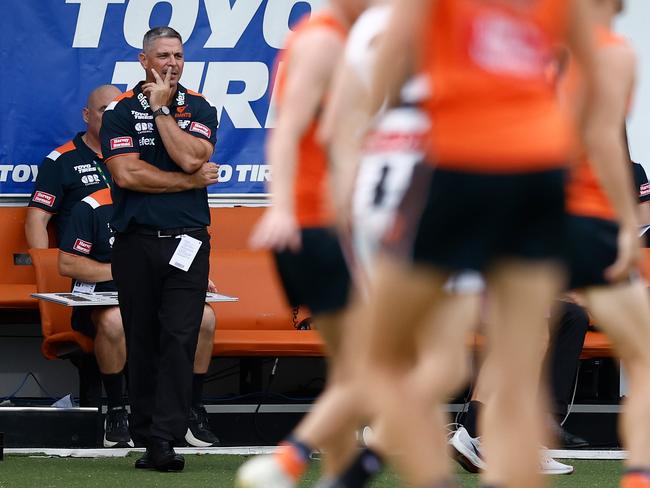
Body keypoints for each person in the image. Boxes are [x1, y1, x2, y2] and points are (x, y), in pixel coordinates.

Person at [324, 0, 617, 486]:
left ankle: (364, 461)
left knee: (400, 355)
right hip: (521, 173)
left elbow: (373, 93)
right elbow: (590, 81)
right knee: (497, 358)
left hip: (463, 169)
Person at [235, 2, 368, 487]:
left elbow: (339, 138)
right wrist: (285, 206)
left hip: (332, 222)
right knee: (387, 370)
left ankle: (334, 475)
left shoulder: (342, 40)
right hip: (318, 226)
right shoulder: (323, 41)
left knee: (354, 371)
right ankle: (288, 460)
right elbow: (287, 128)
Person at [101, 26, 219, 471]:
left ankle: (164, 440)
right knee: (144, 339)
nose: (172, 63)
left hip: (188, 241)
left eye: (179, 55)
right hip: (136, 244)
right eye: (163, 55)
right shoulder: (119, 112)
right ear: (144, 60)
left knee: (179, 337)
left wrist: (164, 113)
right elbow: (128, 176)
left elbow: (193, 155)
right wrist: (189, 183)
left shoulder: (201, 106)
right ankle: (148, 430)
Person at [58, 186, 220, 449]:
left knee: (205, 318)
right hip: (106, 299)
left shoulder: (169, 206)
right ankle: (117, 411)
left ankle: (191, 408)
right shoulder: (91, 206)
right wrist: (128, 269)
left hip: (163, 294)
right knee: (114, 321)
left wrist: (188, 277)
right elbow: (67, 264)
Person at [26, 85, 121, 248]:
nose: (111, 117)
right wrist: (45, 267)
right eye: (104, 110)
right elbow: (36, 220)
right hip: (84, 265)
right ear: (86, 115)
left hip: (131, 259)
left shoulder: (134, 155)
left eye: (116, 110)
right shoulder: (61, 160)